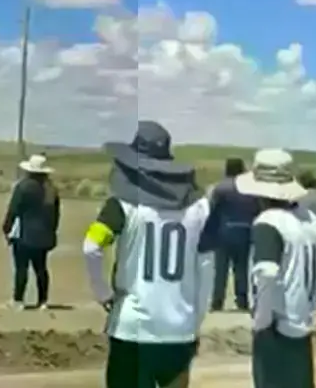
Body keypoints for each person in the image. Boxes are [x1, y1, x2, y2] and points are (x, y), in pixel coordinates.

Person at [82, 121, 218, 388]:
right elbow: (207, 265)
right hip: (179, 329)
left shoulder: (120, 206)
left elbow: (91, 246)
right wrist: (195, 317)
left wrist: (103, 294)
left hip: (132, 327)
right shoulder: (200, 208)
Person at [238, 148, 316, 388]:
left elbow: (267, 272)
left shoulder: (267, 222)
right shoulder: (310, 220)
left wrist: (262, 321)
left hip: (275, 326)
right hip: (302, 320)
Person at [2, 154, 60, 310]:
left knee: (21, 268)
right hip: (44, 235)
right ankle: (43, 301)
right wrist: (52, 232)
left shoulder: (23, 187)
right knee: (41, 268)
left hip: (24, 233)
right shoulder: (51, 190)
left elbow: (13, 210)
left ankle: (18, 300)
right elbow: (56, 215)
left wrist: (6, 228)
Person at [209, 157, 259, 312]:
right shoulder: (250, 189)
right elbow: (256, 210)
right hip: (244, 232)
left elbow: (212, 210)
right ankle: (242, 301)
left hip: (223, 233)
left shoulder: (220, 188)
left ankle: (217, 302)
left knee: (221, 270)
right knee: (241, 269)